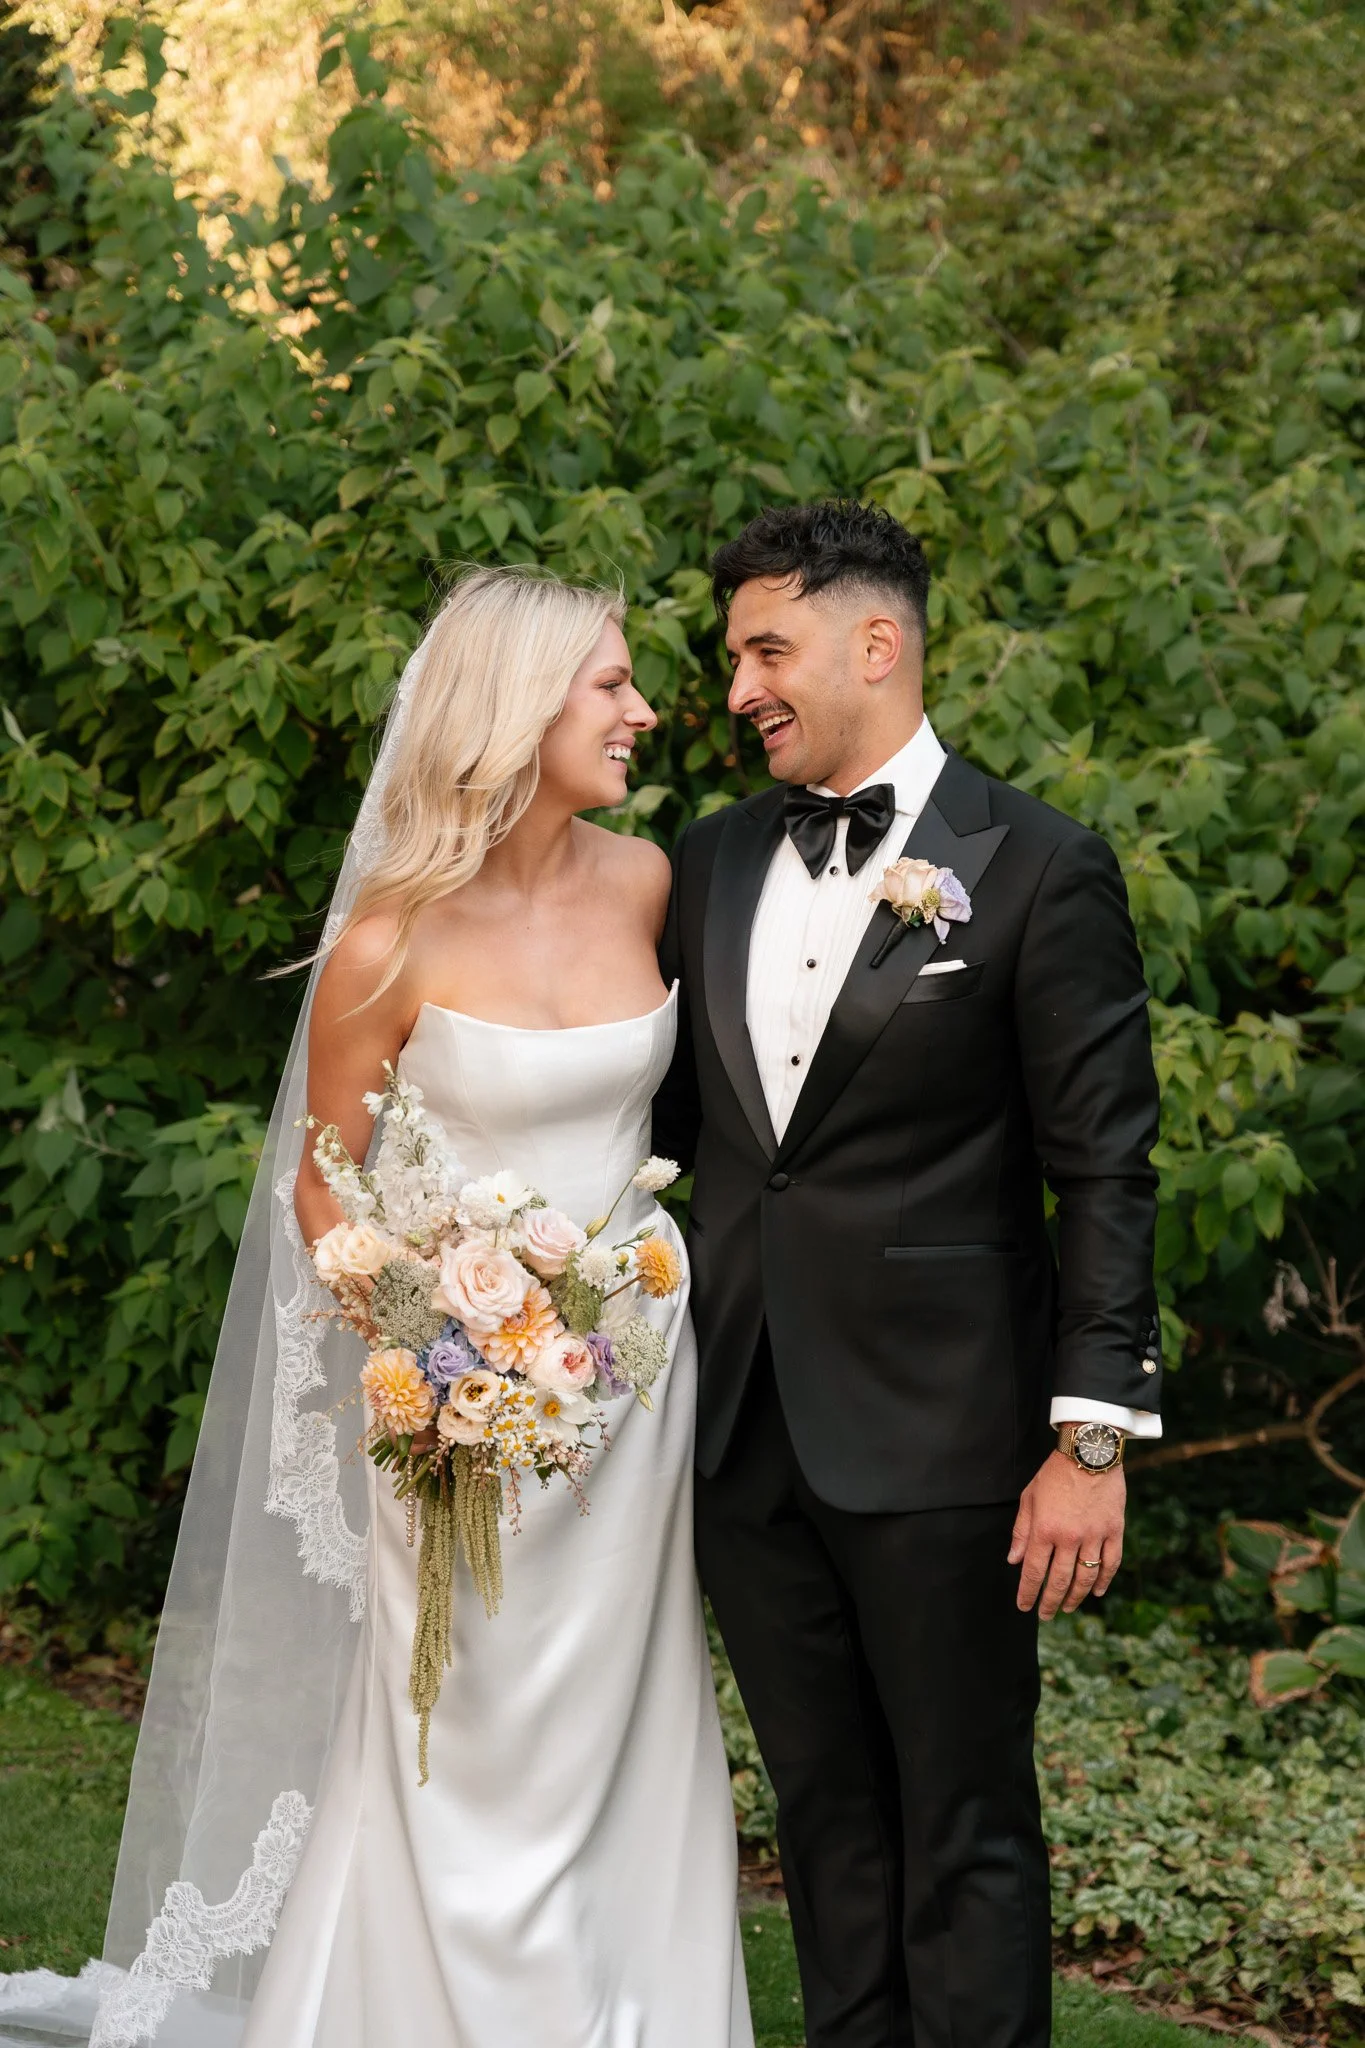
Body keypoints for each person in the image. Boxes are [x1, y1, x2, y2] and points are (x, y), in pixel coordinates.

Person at [0, 567, 750, 2048]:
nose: (643, 711)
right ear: (522, 707)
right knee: (459, 1732)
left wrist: (591, 1327)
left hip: (636, 1386)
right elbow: (324, 1190)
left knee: (627, 1721)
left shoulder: (650, 879)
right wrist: (440, 1341)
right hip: (458, 1413)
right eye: (610, 685)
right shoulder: (388, 941)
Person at [655, 500, 1163, 2048]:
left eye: (766, 649)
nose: (738, 688)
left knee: (966, 1826)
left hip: (946, 1444)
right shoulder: (704, 863)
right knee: (821, 1824)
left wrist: (1091, 1440)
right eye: (734, 653)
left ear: (877, 643)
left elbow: (1105, 1169)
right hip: (742, 1436)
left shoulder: (1038, 869)